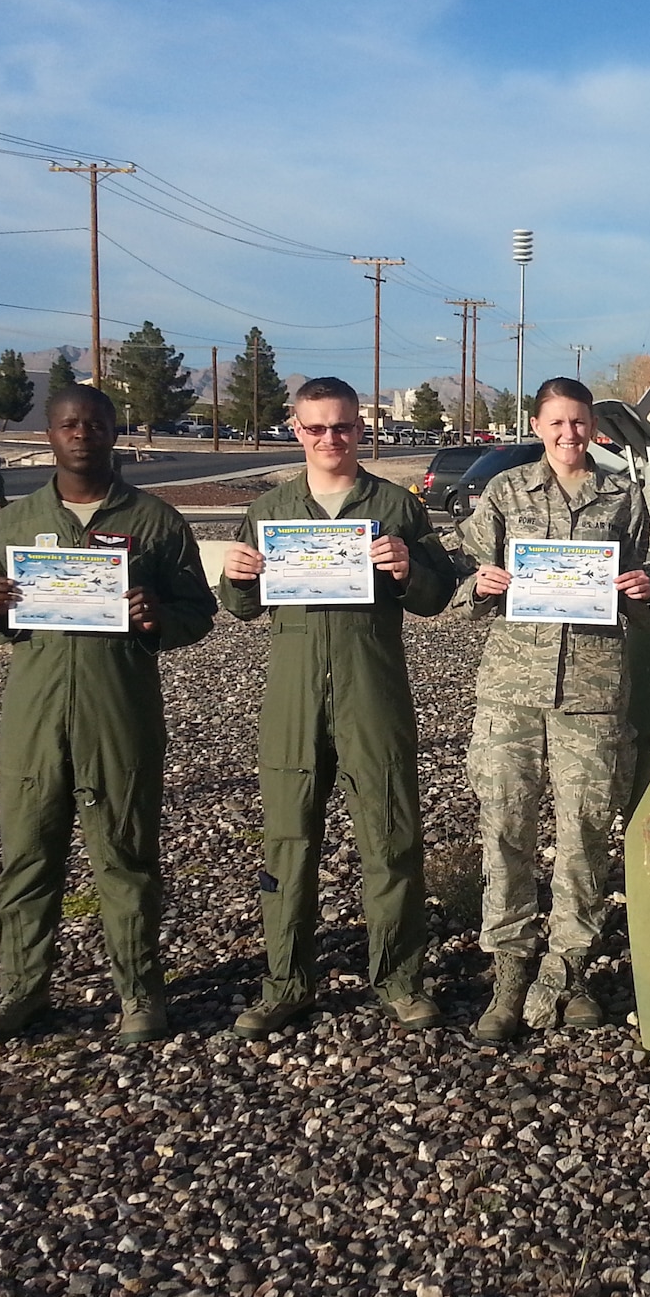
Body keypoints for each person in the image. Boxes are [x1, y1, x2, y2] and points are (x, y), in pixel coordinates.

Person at [0, 385, 216, 1046]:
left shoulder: (155, 522)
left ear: (112, 431)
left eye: (96, 424)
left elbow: (199, 615)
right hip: (35, 714)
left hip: (119, 710)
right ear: (50, 433)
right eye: (70, 424)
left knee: (126, 853)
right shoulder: (16, 524)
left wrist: (158, 617)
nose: (83, 434)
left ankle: (139, 990)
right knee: (27, 852)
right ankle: (23, 986)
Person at [217, 377, 458, 1039]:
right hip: (293, 698)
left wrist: (408, 568)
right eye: (316, 428)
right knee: (288, 844)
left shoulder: (394, 506)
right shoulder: (271, 509)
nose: (330, 439)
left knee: (391, 837)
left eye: (343, 427)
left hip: (371, 691)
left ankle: (401, 981)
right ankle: (287, 983)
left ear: (361, 430)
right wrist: (236, 576)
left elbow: (437, 595)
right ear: (296, 431)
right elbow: (240, 606)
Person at [459, 377, 650, 1041]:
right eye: (557, 423)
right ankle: (511, 967)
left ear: (593, 427)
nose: (570, 435)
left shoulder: (622, 497)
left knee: (586, 833)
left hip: (595, 693)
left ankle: (572, 966)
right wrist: (479, 584)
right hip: (511, 691)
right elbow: (465, 569)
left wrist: (642, 588)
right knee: (506, 830)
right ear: (539, 426)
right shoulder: (507, 493)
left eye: (579, 423)